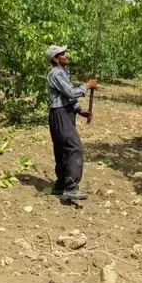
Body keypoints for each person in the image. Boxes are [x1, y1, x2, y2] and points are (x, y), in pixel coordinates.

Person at [45, 45, 98, 201]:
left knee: (62, 147)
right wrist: (86, 86)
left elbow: (66, 96)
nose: (66, 55)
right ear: (55, 59)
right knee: (74, 148)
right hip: (59, 113)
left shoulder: (62, 72)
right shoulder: (55, 74)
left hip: (64, 112)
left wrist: (78, 109)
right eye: (62, 54)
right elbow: (70, 92)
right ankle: (71, 188)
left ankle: (61, 184)